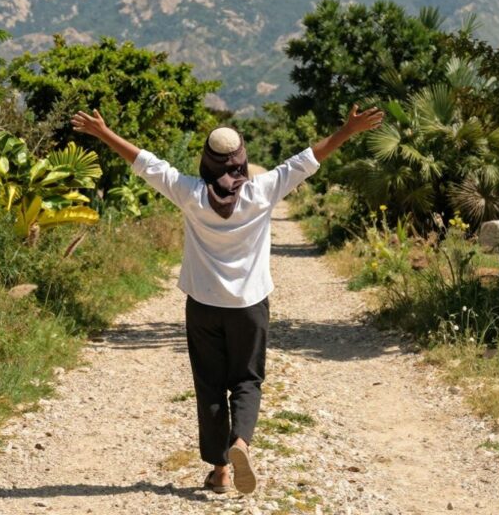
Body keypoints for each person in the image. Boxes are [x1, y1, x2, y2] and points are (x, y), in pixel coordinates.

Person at [70, 105, 385, 494]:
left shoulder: (190, 193)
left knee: (210, 385)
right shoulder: (262, 191)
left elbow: (147, 164)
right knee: (247, 380)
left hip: (203, 306)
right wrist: (348, 129)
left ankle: (219, 470)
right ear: (241, 162)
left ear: (206, 161)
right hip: (250, 307)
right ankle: (241, 444)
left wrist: (102, 132)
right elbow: (307, 160)